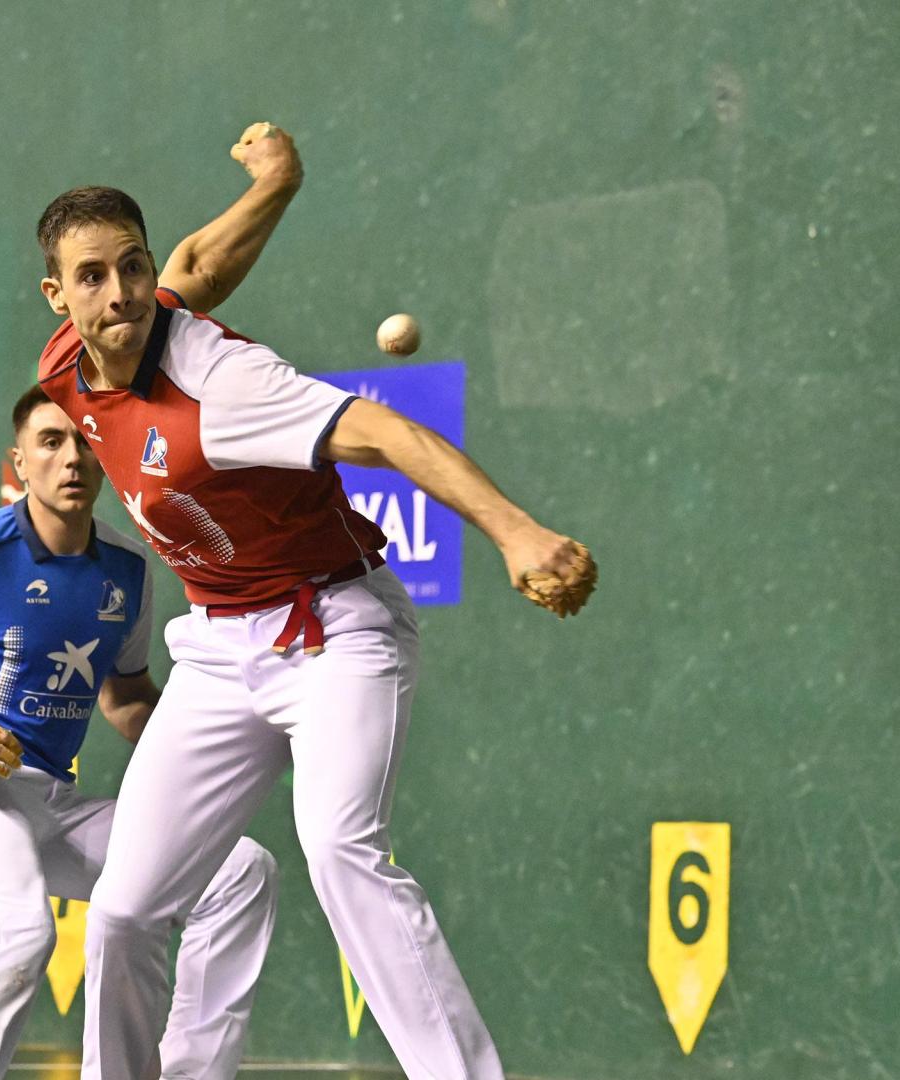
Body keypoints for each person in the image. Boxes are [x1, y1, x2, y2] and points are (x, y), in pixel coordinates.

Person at [31, 126, 595, 1080]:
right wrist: (279, 184)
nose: (122, 292)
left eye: (132, 266)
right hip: (216, 647)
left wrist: (514, 531)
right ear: (59, 296)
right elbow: (198, 265)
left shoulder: (224, 383)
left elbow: (382, 433)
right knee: (124, 910)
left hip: (333, 629)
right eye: (93, 277)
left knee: (338, 847)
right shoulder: (66, 368)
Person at [0, 125, 309, 1079]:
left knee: (240, 874)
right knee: (16, 934)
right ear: (19, 465)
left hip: (47, 798)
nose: (71, 458)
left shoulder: (126, 575)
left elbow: (126, 697)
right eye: (48, 444)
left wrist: (216, 739)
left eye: (82, 444)